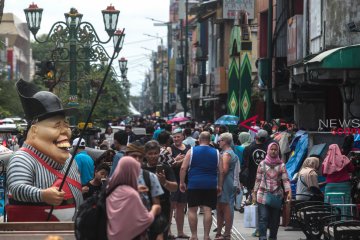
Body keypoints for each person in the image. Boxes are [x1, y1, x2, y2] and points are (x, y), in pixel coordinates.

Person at [6, 79, 82, 222]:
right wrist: (42, 194)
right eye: (56, 126)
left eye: (66, 125)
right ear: (34, 131)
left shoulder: (69, 160)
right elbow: (17, 188)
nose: (65, 131)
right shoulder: (22, 158)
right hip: (36, 230)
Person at [180, 131, 223, 240]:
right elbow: (221, 171)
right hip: (210, 184)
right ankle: (206, 236)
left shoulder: (192, 151)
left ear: (199, 139)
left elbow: (183, 168)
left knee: (192, 210)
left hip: (194, 184)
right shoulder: (217, 152)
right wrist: (220, 186)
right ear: (210, 140)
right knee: (208, 210)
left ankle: (194, 235)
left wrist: (181, 182)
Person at [106, 156, 160, 240]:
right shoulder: (131, 195)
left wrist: (135, 189)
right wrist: (154, 209)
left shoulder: (111, 190)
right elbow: (145, 220)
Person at [253, 142, 291, 240]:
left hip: (276, 196)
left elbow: (285, 180)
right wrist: (254, 192)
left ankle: (273, 237)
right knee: (263, 218)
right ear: (268, 150)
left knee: (275, 220)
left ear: (278, 151)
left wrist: (288, 192)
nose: (273, 151)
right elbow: (257, 179)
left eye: (275, 150)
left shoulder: (281, 165)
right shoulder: (262, 164)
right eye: (272, 149)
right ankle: (262, 237)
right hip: (262, 195)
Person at [143, 140, 178, 240]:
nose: (153, 156)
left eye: (155, 153)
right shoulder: (141, 169)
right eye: (150, 154)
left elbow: (175, 187)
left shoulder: (165, 168)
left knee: (162, 234)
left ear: (159, 153)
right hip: (144, 206)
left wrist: (164, 182)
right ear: (145, 155)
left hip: (163, 206)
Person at [167, 128, 191, 239]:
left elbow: (190, 161)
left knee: (181, 206)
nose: (176, 139)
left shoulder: (188, 148)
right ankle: (168, 231)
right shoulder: (169, 148)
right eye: (174, 137)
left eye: (178, 136)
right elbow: (170, 164)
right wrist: (179, 160)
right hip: (172, 180)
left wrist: (179, 161)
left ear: (183, 137)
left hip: (184, 180)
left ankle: (180, 232)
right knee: (171, 207)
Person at [215, 133, 238, 240]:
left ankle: (226, 234)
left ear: (225, 141)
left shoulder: (226, 154)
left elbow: (223, 171)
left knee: (226, 207)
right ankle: (220, 233)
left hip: (225, 183)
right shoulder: (227, 152)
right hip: (227, 182)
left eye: (220, 140)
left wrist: (219, 185)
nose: (218, 142)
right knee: (220, 207)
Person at [322, 144, 355, 210]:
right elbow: (351, 169)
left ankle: (331, 218)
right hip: (344, 185)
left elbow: (324, 174)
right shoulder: (344, 158)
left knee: (330, 204)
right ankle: (344, 218)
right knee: (344, 204)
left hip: (330, 186)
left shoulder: (326, 161)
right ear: (339, 150)